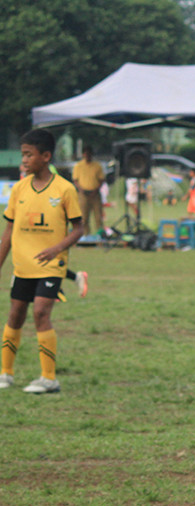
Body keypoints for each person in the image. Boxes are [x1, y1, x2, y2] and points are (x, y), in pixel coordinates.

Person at [0, 129, 86, 393]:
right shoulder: (19, 189)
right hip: (23, 265)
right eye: (23, 154)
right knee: (15, 315)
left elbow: (79, 228)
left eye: (29, 154)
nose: (24, 160)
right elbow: (8, 231)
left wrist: (56, 248)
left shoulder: (64, 189)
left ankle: (49, 379)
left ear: (45, 156)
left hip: (52, 265)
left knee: (40, 312)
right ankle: (5, 373)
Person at [72, 145, 104, 234]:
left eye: (89, 154)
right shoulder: (78, 166)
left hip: (95, 193)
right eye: (86, 154)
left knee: (98, 217)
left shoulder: (97, 166)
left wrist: (96, 189)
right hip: (83, 194)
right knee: (83, 217)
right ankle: (86, 236)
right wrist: (81, 189)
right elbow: (75, 180)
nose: (87, 155)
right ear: (83, 154)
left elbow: (101, 179)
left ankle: (100, 236)